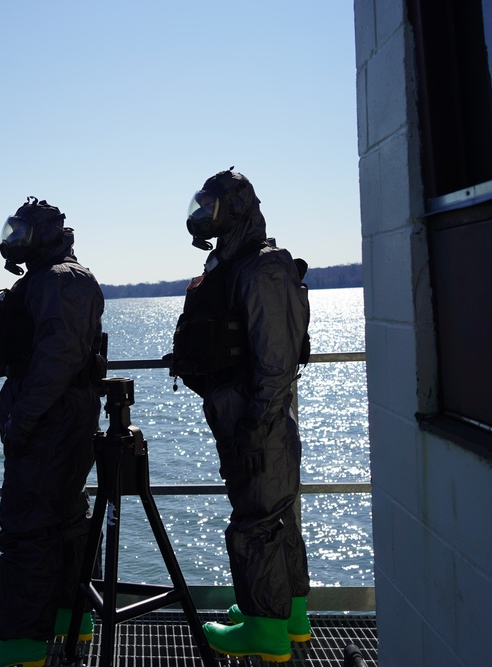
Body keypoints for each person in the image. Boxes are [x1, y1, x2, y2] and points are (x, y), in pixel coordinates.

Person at [0, 197, 105, 667]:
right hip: (56, 417)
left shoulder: (60, 282)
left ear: (43, 237)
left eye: (21, 234)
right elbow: (21, 351)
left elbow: (57, 361)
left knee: (27, 525)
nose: (13, 242)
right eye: (11, 233)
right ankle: (69, 615)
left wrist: (24, 418)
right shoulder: (43, 281)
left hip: (51, 422)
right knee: (64, 516)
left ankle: (22, 642)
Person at [170, 169, 312, 663]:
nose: (200, 215)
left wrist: (255, 422)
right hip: (242, 411)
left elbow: (275, 360)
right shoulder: (233, 263)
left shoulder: (262, 267)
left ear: (234, 208)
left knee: (257, 520)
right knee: (274, 514)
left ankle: (264, 629)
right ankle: (289, 616)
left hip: (256, 415)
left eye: (210, 207)